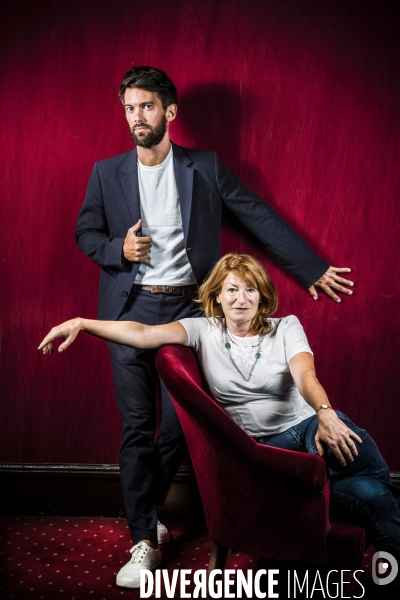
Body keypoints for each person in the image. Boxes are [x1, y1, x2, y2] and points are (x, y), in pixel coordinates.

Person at [74, 64, 355, 587]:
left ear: (169, 112)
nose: (137, 117)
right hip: (129, 309)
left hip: (191, 312)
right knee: (137, 425)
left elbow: (255, 213)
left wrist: (312, 268)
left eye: (147, 107)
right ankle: (143, 537)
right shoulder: (105, 173)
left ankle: (146, 506)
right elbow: (85, 232)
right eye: (130, 108)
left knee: (184, 424)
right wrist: (119, 249)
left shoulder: (203, 166)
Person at [39, 253, 399, 589]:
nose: (241, 298)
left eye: (250, 289)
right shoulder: (202, 330)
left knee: (372, 481)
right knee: (375, 496)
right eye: (232, 289)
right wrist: (83, 323)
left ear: (262, 296)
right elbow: (145, 334)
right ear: (218, 296)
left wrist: (325, 414)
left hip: (311, 425)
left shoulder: (286, 326)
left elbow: (306, 375)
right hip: (269, 449)